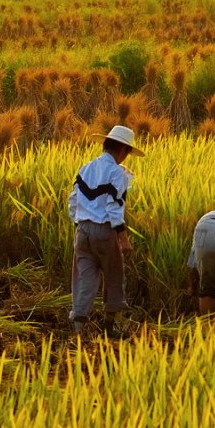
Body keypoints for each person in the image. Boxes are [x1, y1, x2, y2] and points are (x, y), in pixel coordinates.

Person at [67, 125, 144, 339]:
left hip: (81, 231)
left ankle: (78, 331)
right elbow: (113, 206)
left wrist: (80, 225)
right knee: (114, 276)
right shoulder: (116, 173)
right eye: (127, 153)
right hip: (104, 231)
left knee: (84, 279)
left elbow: (72, 202)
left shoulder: (86, 168)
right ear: (122, 150)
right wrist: (123, 238)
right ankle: (110, 328)